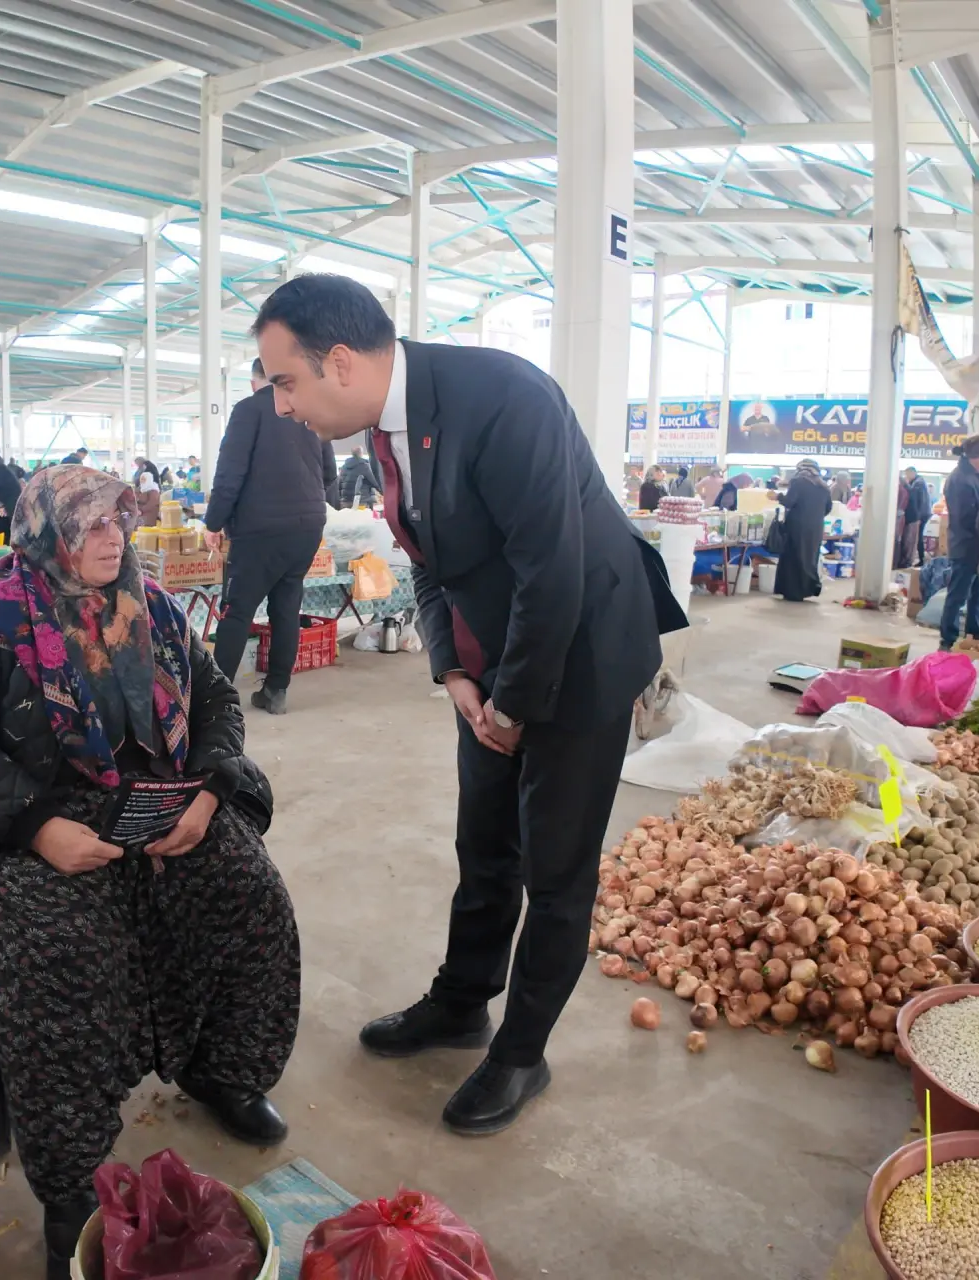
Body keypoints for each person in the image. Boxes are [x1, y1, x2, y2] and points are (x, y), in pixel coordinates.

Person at [253, 272, 686, 1134]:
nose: (280, 405)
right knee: (484, 847)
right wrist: (454, 672)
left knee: (555, 870)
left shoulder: (505, 399)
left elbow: (552, 576)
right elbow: (428, 560)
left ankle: (523, 1053)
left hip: (584, 651)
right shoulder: (386, 431)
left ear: (341, 362)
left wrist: (513, 709)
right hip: (493, 658)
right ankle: (461, 1003)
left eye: (285, 381)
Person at [0, 466, 298, 1278]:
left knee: (249, 895)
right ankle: (72, 1188)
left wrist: (207, 794)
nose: (115, 539)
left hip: (160, 801)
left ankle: (225, 1073)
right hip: (35, 815)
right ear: (49, 535)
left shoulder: (155, 607)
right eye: (93, 526)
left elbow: (218, 703)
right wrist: (38, 829)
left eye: (121, 521)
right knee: (57, 952)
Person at [202, 357, 333, 715]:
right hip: (308, 526)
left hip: (260, 529)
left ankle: (216, 705)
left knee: (237, 612)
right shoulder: (308, 408)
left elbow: (229, 475)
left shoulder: (248, 410)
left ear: (254, 382)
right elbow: (329, 473)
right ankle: (276, 691)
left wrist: (213, 524)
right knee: (287, 608)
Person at [941, 437, 979, 650]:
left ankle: (974, 637)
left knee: (978, 594)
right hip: (965, 545)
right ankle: (947, 639)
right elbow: (965, 518)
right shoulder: (959, 479)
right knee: (958, 595)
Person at [772, 458, 832, 602]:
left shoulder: (798, 482)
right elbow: (828, 508)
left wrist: (778, 496)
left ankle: (793, 592)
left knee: (794, 557)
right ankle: (807, 589)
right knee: (809, 558)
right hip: (816, 528)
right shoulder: (823, 486)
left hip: (797, 527)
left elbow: (789, 502)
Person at [903, 466, 932, 568]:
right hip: (924, 513)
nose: (907, 477)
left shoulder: (918, 484)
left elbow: (918, 501)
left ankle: (921, 559)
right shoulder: (919, 482)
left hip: (921, 514)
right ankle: (921, 558)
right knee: (918, 536)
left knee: (918, 537)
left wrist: (918, 517)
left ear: (912, 473)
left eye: (907, 475)